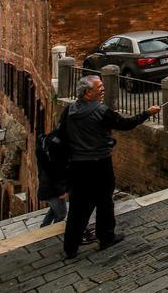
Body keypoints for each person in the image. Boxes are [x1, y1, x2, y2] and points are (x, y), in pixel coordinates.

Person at [61, 75, 160, 259]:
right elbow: (125, 124)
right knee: (104, 200)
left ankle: (70, 247)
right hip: (99, 163)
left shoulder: (69, 111)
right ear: (88, 92)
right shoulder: (101, 111)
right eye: (99, 87)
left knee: (77, 206)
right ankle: (106, 237)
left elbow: (62, 135)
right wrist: (147, 113)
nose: (103, 89)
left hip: (77, 165)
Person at [36, 128, 68, 227]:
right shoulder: (49, 162)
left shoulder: (45, 158)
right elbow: (52, 177)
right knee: (61, 213)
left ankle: (43, 229)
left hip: (50, 190)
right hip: (52, 191)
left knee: (54, 210)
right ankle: (54, 232)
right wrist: (61, 191)